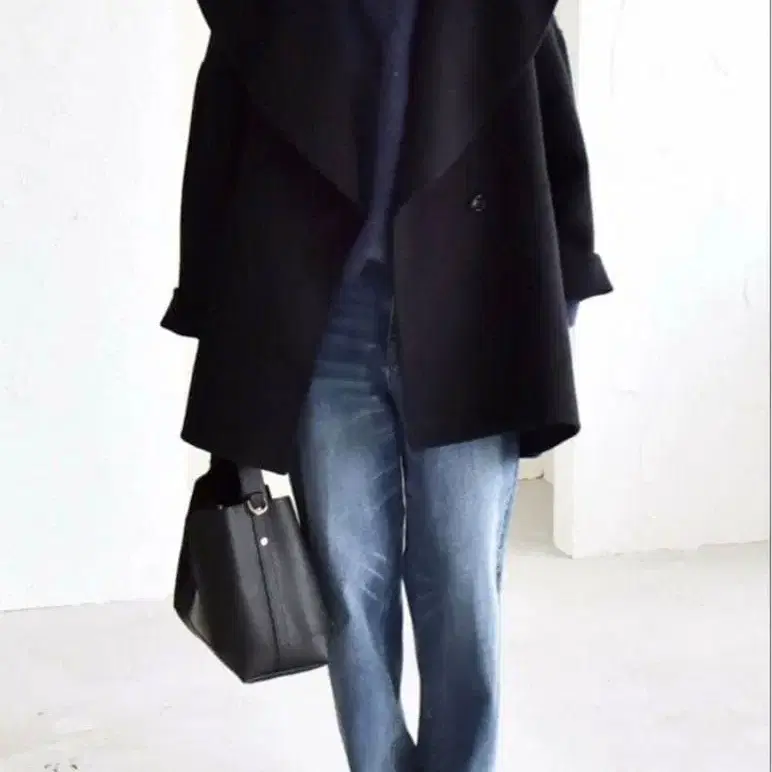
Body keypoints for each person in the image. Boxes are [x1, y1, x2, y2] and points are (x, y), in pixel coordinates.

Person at [162, 2, 612, 770]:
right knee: (348, 592)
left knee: (461, 587)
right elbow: (216, 156)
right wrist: (213, 311)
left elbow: (555, 135)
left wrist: (558, 289)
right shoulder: (268, 14)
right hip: (325, 332)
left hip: (468, 321)